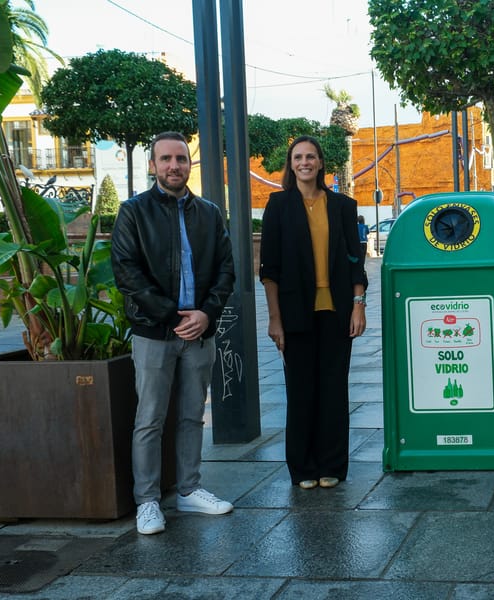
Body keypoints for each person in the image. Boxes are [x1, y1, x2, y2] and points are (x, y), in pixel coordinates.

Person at [111, 131, 236, 535]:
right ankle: (147, 501)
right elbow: (127, 272)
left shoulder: (211, 213)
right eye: (165, 159)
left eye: (180, 159)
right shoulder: (133, 212)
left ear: (189, 164)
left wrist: (206, 313)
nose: (173, 166)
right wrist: (172, 315)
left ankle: (189, 489)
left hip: (199, 332)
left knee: (191, 415)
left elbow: (225, 270)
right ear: (153, 165)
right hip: (154, 333)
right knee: (149, 417)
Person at [260, 135, 368, 491]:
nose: (304, 162)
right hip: (294, 314)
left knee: (334, 390)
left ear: (321, 163)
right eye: (298, 158)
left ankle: (332, 465)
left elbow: (356, 260)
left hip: (336, 312)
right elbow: (269, 269)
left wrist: (358, 305)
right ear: (291, 165)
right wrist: (274, 319)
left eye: (311, 157)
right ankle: (303, 467)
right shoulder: (277, 206)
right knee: (301, 390)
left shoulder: (342, 206)